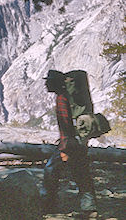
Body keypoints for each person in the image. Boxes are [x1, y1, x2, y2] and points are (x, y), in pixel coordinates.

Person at [43, 70, 97, 214]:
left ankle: (49, 204)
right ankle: (89, 206)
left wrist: (64, 149)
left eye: (48, 81)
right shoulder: (73, 97)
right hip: (80, 140)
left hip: (69, 143)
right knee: (81, 171)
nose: (45, 84)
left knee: (50, 169)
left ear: (55, 83)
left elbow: (65, 124)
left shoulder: (62, 98)